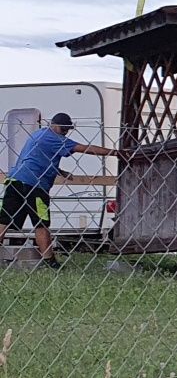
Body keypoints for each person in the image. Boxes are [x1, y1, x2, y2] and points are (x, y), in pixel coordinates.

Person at [3, 113, 115, 269]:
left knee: (4, 221)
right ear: (53, 125)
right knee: (41, 224)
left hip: (15, 180)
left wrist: (60, 171)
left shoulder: (38, 134)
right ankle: (50, 262)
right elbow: (84, 148)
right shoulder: (54, 138)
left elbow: (37, 158)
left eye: (68, 129)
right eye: (63, 129)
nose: (65, 132)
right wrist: (115, 153)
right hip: (34, 186)